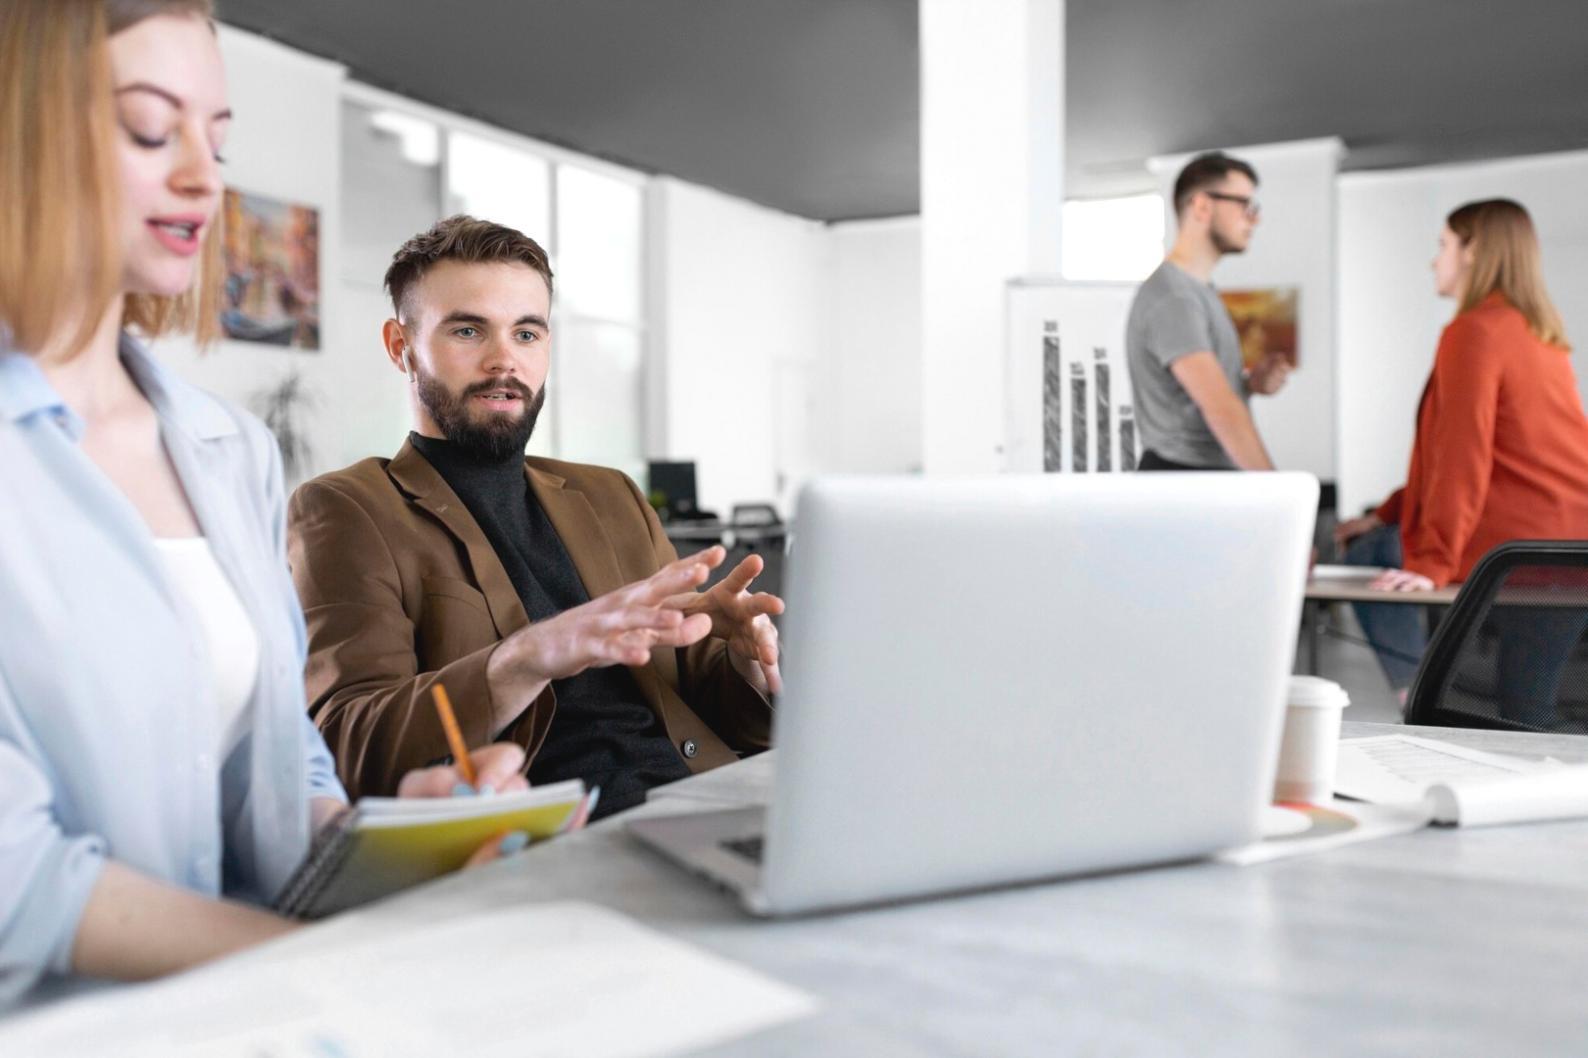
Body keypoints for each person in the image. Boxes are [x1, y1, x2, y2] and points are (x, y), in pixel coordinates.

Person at [0, 1, 523, 1007]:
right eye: (153, 129)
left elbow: (282, 775)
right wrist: (320, 973)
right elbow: (21, 881)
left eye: (219, 137)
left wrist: (384, 840)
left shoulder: (225, 446)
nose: (204, 174)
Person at [288, 215, 782, 817]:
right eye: (469, 331)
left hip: (706, 806)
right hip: (550, 838)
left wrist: (744, 663)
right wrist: (524, 659)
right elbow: (347, 745)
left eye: (527, 334)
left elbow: (728, 720)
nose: (504, 361)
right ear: (401, 347)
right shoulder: (350, 509)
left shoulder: (613, 497)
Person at [1335, 199, 1588, 699]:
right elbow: (1492, 457)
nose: (1435, 260)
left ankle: (1419, 692)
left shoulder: (1473, 332)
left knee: (1369, 553)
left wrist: (1432, 562)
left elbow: (1462, 458)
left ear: (1473, 251)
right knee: (1525, 710)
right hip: (1571, 545)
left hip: (1518, 547)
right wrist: (1389, 510)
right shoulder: (1540, 333)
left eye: (1443, 245)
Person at [1125, 151, 1292, 471]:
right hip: (1184, 483)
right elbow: (1221, 410)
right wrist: (1277, 495)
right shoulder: (1174, 297)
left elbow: (1197, 396)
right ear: (1202, 206)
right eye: (1244, 205)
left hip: (1198, 481)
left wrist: (1249, 384)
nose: (1254, 219)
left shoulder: (1199, 292)